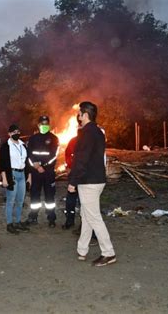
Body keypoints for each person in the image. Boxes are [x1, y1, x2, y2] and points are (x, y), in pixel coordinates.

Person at [68, 102, 116, 267]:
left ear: (85, 114)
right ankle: (82, 249)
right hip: (97, 179)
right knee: (86, 215)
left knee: (94, 217)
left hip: (88, 181)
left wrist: (73, 181)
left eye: (79, 114)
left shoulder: (86, 133)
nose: (78, 117)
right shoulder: (98, 131)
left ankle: (108, 253)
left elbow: (81, 159)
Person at [26, 115, 60, 227]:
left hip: (48, 172)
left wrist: (43, 166)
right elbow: (29, 155)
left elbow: (54, 156)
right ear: (38, 125)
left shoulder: (54, 138)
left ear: (49, 124)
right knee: (35, 195)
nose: (44, 125)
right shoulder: (32, 139)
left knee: (50, 196)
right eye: (42, 124)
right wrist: (35, 166)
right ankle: (33, 216)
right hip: (36, 172)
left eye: (46, 123)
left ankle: (51, 218)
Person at [0, 124, 31, 234]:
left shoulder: (23, 145)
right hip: (11, 174)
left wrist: (29, 176)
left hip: (22, 174)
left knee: (20, 200)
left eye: (18, 131)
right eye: (13, 132)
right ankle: (9, 224)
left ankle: (17, 222)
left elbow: (27, 162)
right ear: (9, 134)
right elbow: (2, 164)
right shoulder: (5, 146)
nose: (16, 133)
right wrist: (4, 178)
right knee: (11, 200)